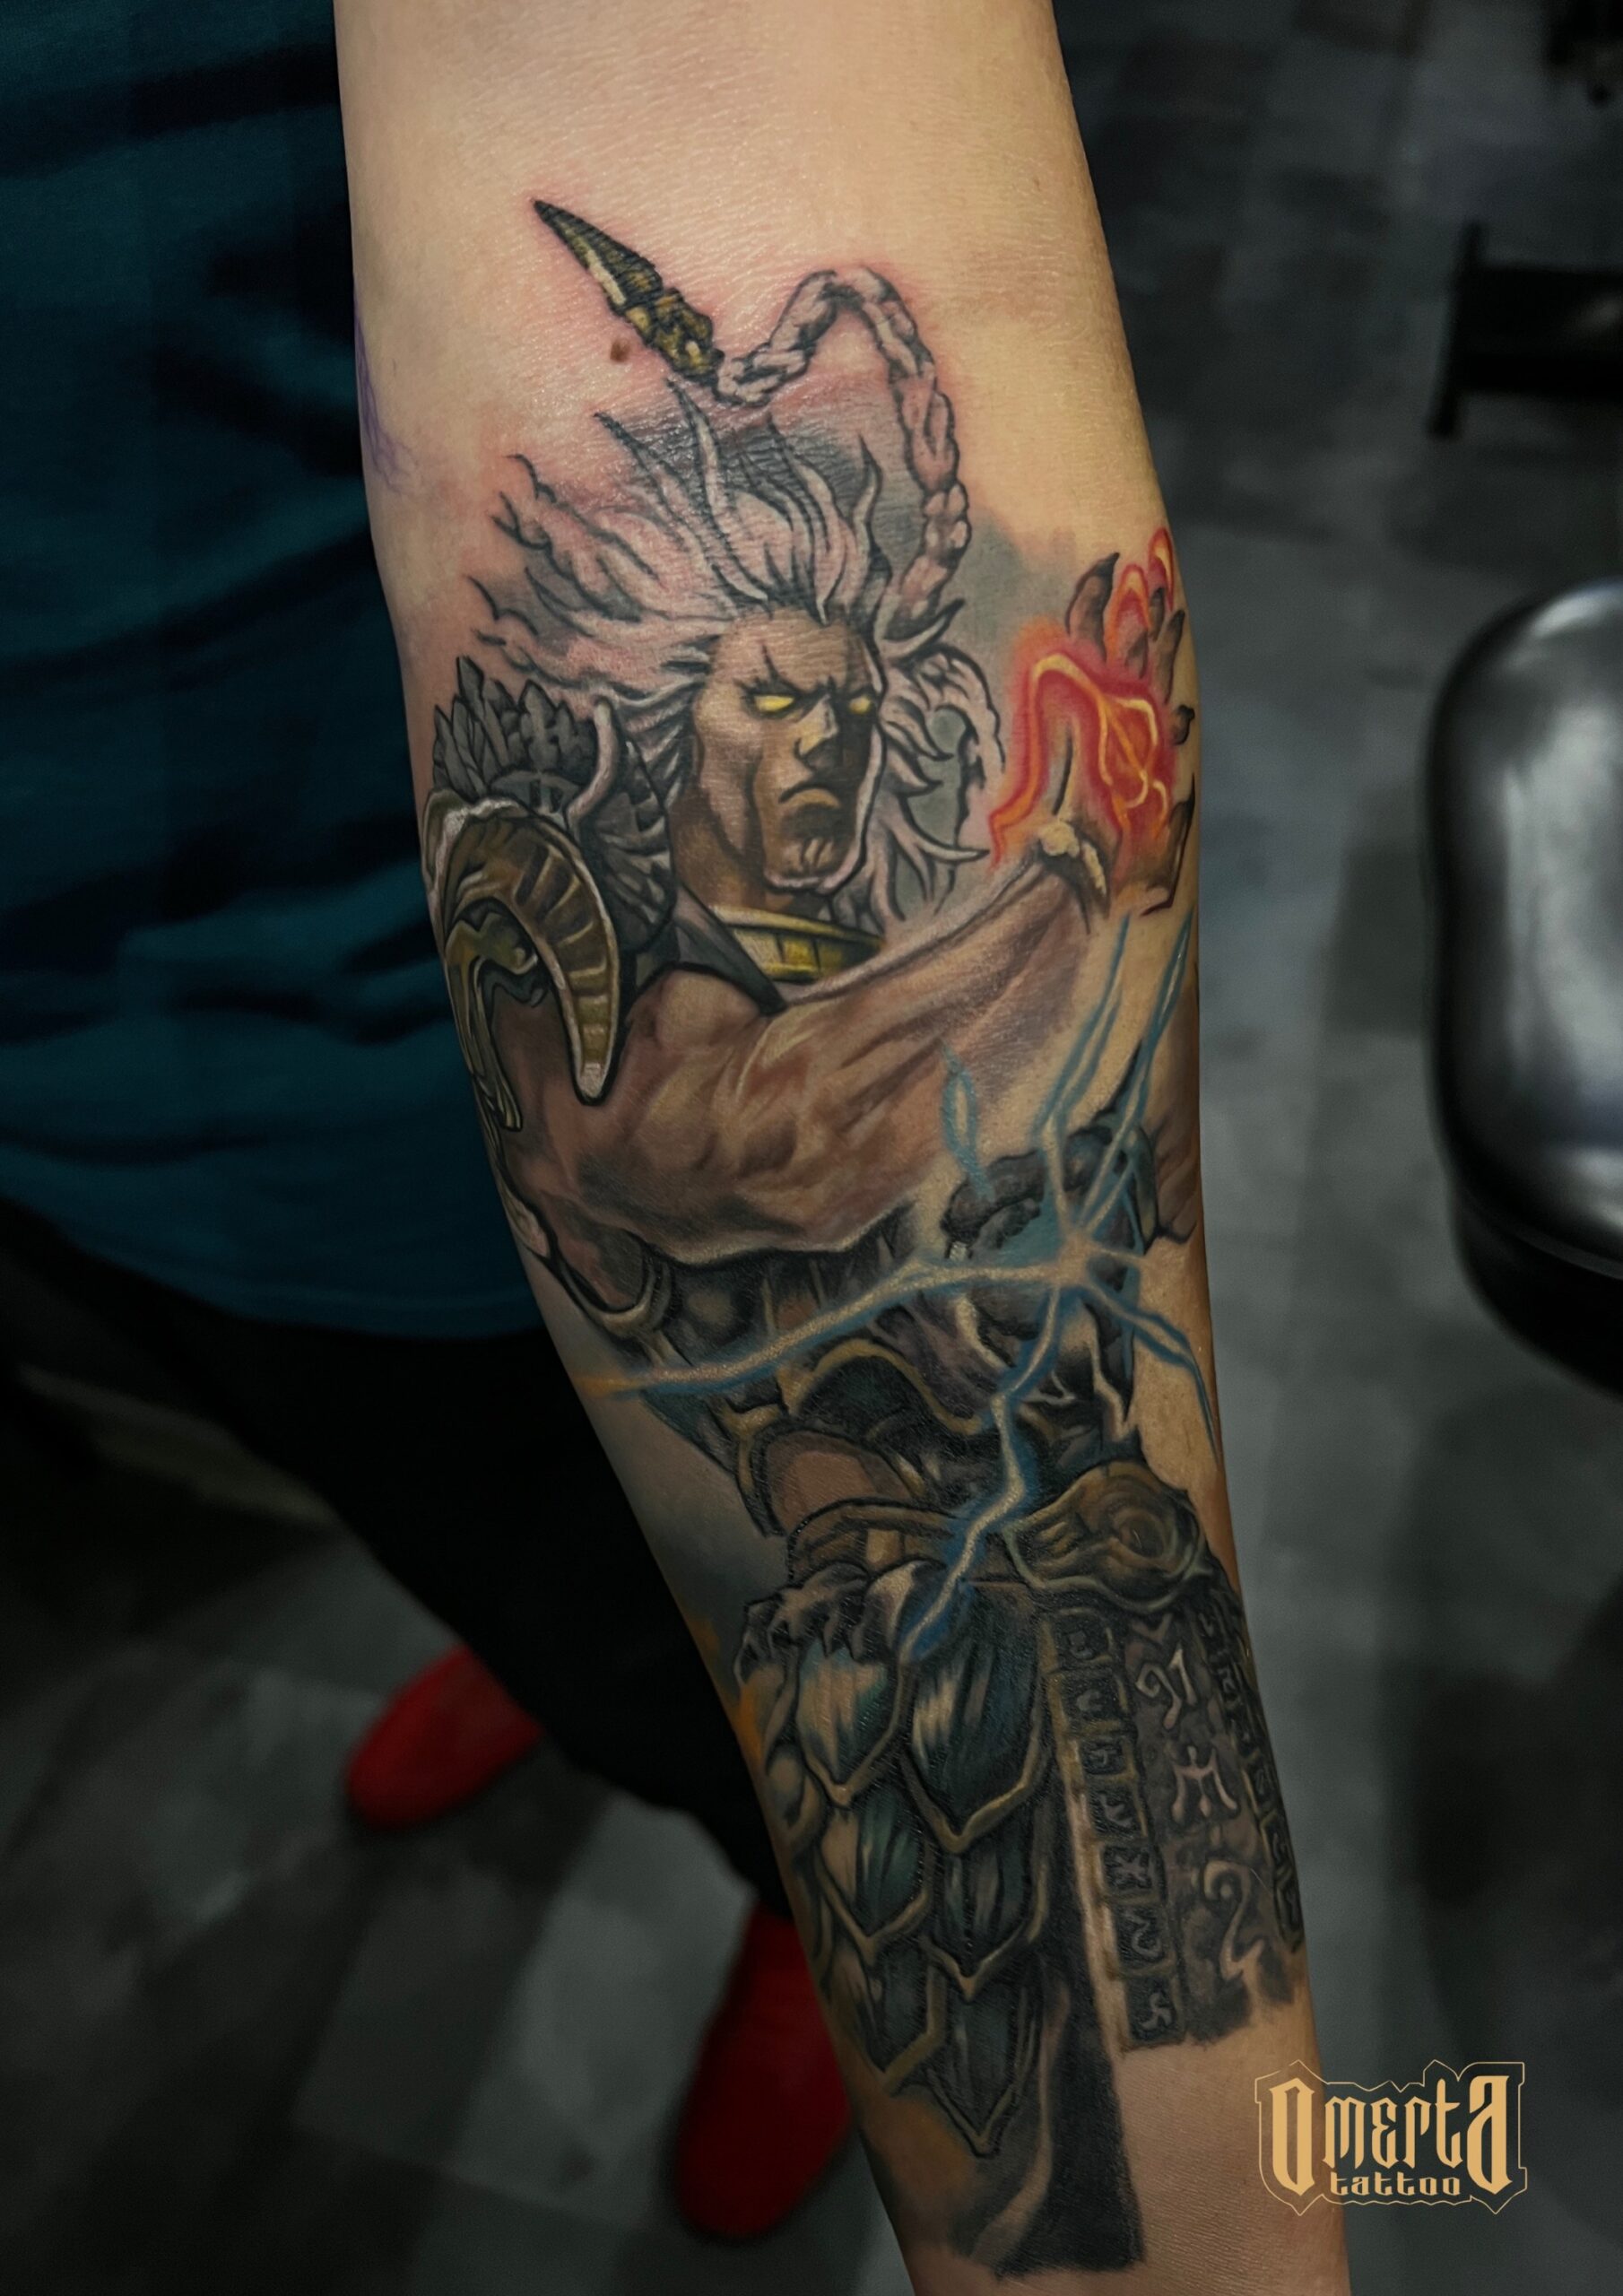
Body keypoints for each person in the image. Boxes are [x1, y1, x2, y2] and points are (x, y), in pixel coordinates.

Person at [3, 1, 1350, 2286]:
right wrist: (1044, 888)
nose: (819, 743)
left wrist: (1203, 2248)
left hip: (405, 1131)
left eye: (845, 701)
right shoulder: (624, 952)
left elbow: (763, 122)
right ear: (668, 705)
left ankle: (792, 1888)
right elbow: (716, 1118)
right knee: (499, 1556)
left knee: (750, 1660)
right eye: (768, 695)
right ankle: (604, 1687)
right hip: (87, 1123)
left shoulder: (812, 930)